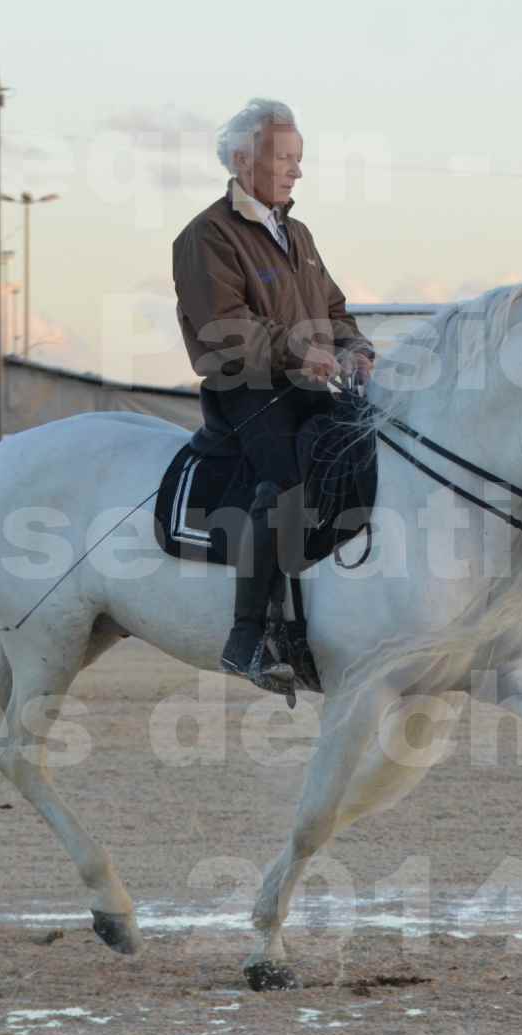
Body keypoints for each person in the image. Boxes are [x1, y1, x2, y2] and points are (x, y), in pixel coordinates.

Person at [173, 98, 374, 688]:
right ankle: (248, 639)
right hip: (248, 393)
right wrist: (299, 352)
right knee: (285, 481)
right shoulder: (206, 235)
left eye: (299, 159)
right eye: (284, 158)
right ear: (242, 160)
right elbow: (222, 326)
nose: (296, 170)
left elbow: (333, 308)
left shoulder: (299, 233)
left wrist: (352, 346)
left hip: (311, 388)